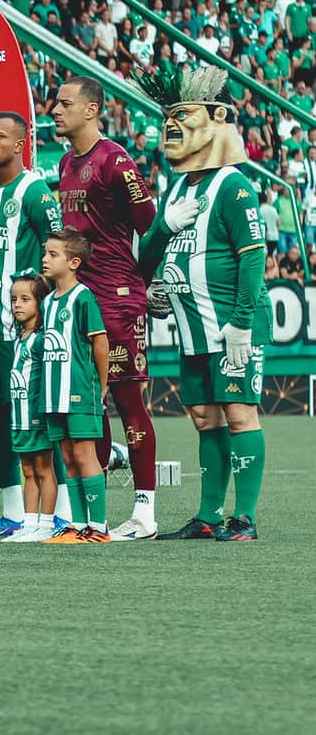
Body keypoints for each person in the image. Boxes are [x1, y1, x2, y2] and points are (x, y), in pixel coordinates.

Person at [136, 62, 267, 542]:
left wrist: (241, 322)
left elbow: (254, 259)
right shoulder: (178, 187)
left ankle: (244, 518)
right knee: (204, 418)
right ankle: (209, 515)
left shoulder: (234, 185)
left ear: (213, 121)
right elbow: (147, 255)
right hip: (191, 329)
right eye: (166, 118)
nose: (171, 126)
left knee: (238, 415)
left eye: (183, 116)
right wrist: (165, 229)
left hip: (231, 326)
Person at [51, 76, 160, 540]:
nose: (56, 109)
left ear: (91, 110)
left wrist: (147, 283)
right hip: (77, 301)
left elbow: (151, 226)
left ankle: (144, 512)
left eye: (65, 103)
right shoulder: (65, 163)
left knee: (128, 400)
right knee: (90, 408)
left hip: (116, 299)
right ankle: (92, 515)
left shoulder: (115, 161)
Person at [0, 110, 64, 537]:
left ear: (19, 144)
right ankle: (13, 511)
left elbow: (56, 255)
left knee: (36, 420)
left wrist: (39, 308)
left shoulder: (35, 191)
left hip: (21, 333)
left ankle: (58, 511)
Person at [39, 230, 112, 544]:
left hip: (79, 389)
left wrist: (102, 385)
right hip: (53, 393)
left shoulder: (83, 297)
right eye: (45, 253)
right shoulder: (47, 303)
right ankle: (78, 523)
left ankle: (99, 526)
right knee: (67, 456)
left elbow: (100, 342)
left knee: (85, 454)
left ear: (74, 262)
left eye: (53, 254)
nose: (45, 259)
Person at [5, 275, 59, 543]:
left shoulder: (41, 339)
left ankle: (47, 523)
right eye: (14, 299)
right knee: (27, 470)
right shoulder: (19, 338)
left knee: (43, 469)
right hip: (20, 417)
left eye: (25, 299)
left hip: (37, 417)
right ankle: (29, 523)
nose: (17, 305)